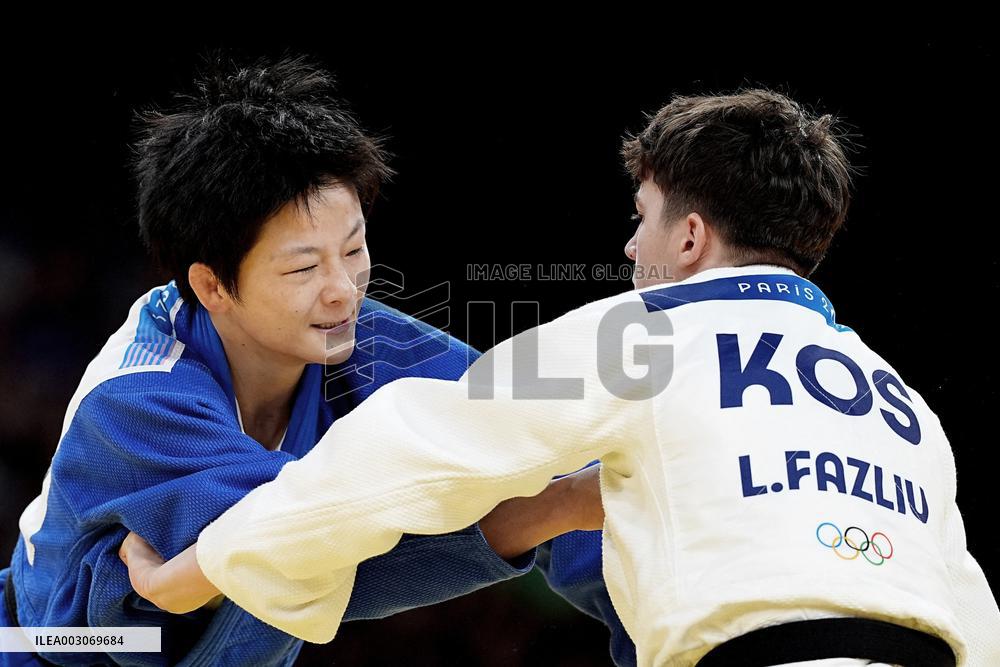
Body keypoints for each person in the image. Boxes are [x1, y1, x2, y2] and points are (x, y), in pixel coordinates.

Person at [121, 88, 1000, 666]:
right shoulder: (901, 401)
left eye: (642, 218)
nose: (629, 246)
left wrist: (212, 562)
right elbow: (970, 602)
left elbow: (406, 452)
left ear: (689, 238)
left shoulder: (647, 334)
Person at [0, 53, 626, 667]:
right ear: (214, 285)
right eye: (303, 267)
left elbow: (537, 441)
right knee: (280, 560)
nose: (343, 288)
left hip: (226, 620)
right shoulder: (138, 399)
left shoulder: (355, 332)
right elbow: (304, 548)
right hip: (61, 648)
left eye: (353, 250)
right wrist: (557, 505)